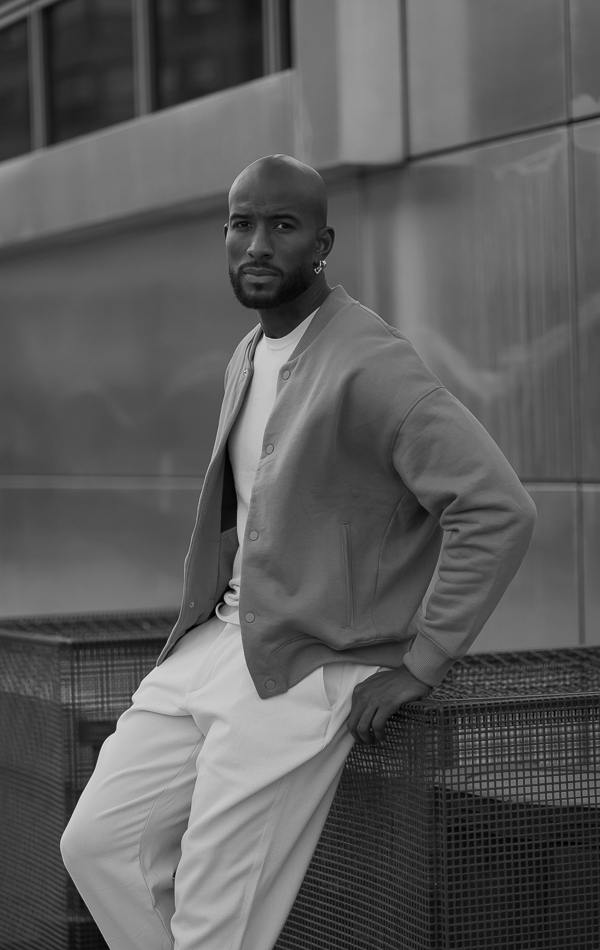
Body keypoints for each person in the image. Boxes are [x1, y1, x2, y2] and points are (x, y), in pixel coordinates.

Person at [61, 154, 537, 950]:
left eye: (282, 226)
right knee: (99, 845)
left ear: (322, 244)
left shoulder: (371, 363)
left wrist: (424, 661)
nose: (257, 244)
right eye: (241, 224)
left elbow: (497, 508)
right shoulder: (249, 353)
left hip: (303, 668)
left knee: (215, 918)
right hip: (217, 641)